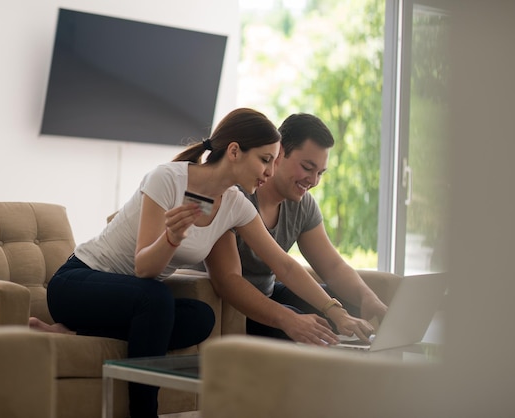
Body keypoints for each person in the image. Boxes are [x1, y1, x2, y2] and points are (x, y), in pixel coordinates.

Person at [29, 108, 373, 418]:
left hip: (130, 302)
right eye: (265, 160)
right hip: (77, 282)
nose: (269, 172)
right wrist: (171, 238)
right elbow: (144, 269)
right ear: (235, 151)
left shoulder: (235, 204)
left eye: (273, 161)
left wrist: (334, 308)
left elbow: (283, 265)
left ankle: (77, 331)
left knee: (200, 318)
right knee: (156, 298)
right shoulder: (168, 179)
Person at [206, 112, 387, 343]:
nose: (313, 180)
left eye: (320, 173)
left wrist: (366, 298)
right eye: (307, 167)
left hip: (270, 292)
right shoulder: (235, 197)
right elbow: (228, 280)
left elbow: (332, 266)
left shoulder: (302, 205)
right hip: (233, 305)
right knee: (309, 324)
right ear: (278, 153)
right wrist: (290, 317)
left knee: (349, 306)